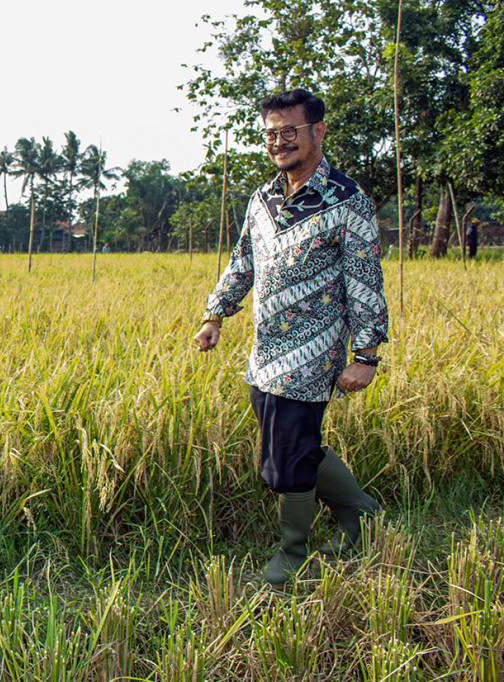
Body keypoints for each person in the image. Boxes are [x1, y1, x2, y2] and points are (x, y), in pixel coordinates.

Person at [192, 89, 388, 586]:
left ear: (317, 131)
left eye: (289, 132)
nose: (279, 142)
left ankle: (292, 556)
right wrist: (216, 315)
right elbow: (243, 261)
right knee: (290, 446)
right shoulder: (263, 198)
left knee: (286, 458)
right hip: (265, 355)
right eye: (271, 134)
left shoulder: (348, 202)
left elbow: (364, 282)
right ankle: (362, 514)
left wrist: (366, 355)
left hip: (314, 353)